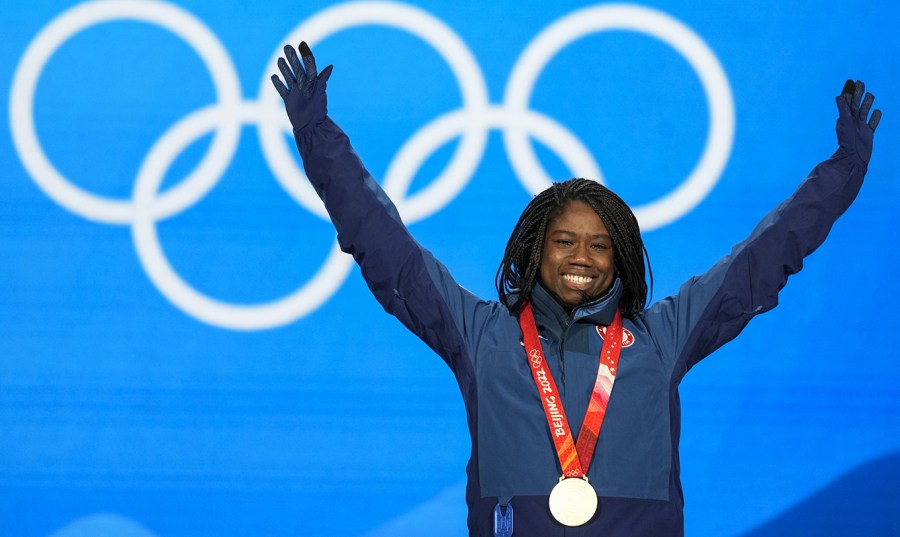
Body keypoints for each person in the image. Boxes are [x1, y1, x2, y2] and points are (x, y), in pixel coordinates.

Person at [270, 42, 881, 536]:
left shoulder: (662, 337)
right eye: (564, 241)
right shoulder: (482, 336)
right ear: (535, 251)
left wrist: (844, 172)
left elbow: (765, 256)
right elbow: (386, 250)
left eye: (599, 244)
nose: (581, 258)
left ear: (619, 260)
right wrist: (317, 137)